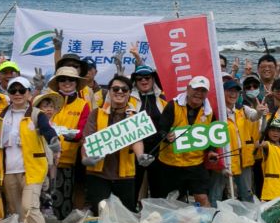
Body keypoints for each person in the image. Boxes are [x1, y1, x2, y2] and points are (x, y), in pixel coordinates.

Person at [82, 76, 148, 212]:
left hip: (125, 175)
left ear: (129, 93)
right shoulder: (96, 113)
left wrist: (140, 156)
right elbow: (87, 139)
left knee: (126, 216)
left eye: (124, 89)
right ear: (109, 91)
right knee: (100, 214)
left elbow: (137, 139)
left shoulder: (134, 116)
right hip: (98, 174)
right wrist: (85, 158)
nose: (120, 92)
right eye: (115, 88)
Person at [0, 77, 52, 223]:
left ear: (29, 94)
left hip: (32, 170)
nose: (17, 94)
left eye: (22, 90)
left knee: (29, 207)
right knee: (15, 212)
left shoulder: (37, 114)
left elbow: (47, 129)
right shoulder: (1, 116)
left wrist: (53, 140)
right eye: (13, 90)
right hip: (8, 172)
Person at [152, 75, 218, 205]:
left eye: (203, 91)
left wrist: (211, 151)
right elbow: (161, 129)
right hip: (170, 163)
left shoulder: (209, 112)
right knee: (173, 200)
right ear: (188, 89)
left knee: (202, 197)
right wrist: (166, 136)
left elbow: (211, 137)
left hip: (195, 164)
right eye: (196, 89)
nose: (199, 93)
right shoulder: (172, 106)